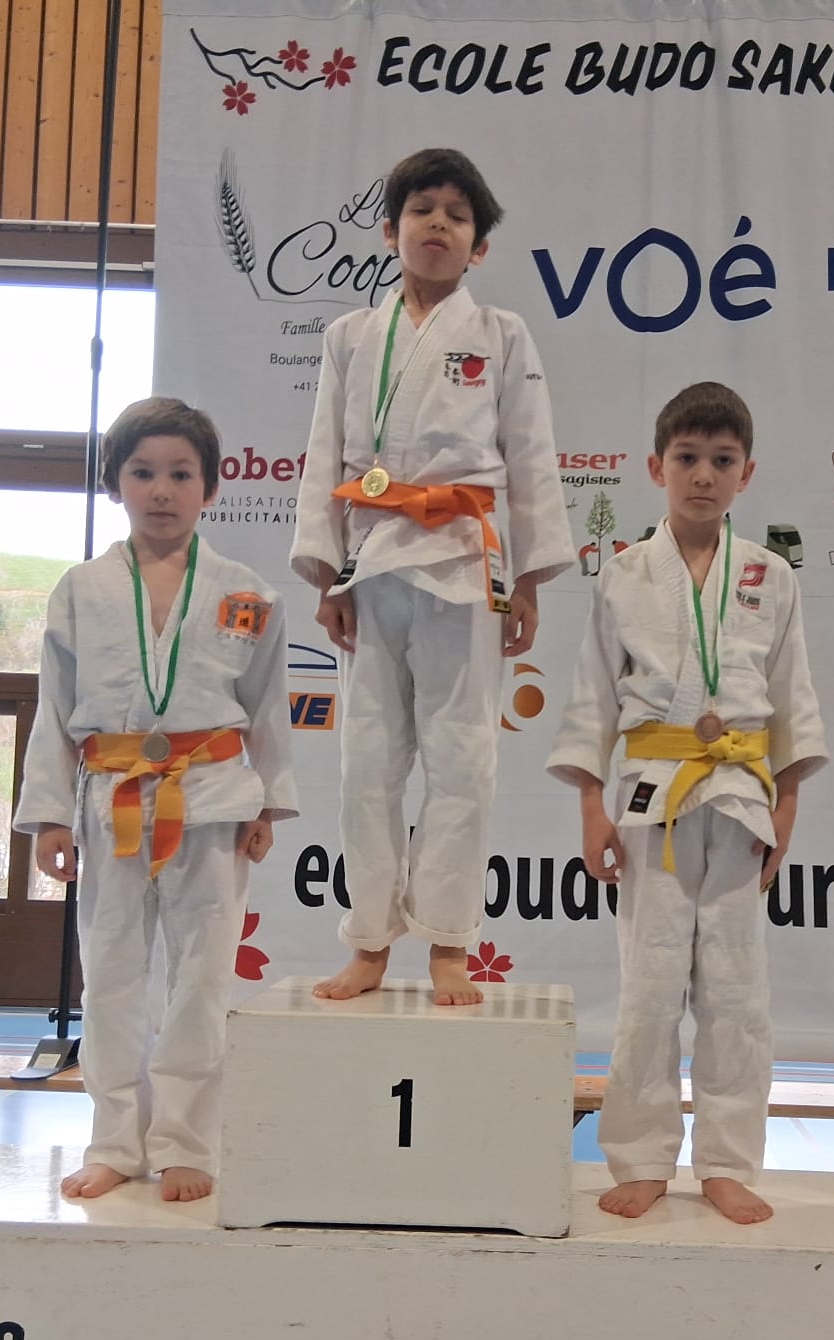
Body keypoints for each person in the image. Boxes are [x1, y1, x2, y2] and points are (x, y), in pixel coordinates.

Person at [290, 147, 569, 1006]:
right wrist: (326, 578)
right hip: (373, 562)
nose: (438, 224)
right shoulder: (349, 338)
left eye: (457, 214)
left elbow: (531, 459)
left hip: (463, 561)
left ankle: (449, 939)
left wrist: (527, 583)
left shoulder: (502, 335)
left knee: (464, 760)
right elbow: (324, 457)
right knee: (366, 763)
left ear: (478, 245)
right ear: (390, 231)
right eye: (422, 210)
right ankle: (370, 940)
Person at [547, 383, 826, 1224]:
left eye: (722, 460)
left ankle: (728, 1161)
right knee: (649, 986)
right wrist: (591, 805)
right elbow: (592, 697)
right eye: (687, 458)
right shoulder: (625, 574)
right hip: (648, 798)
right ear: (655, 467)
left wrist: (787, 804)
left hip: (740, 796)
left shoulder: (771, 575)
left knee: (738, 992)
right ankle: (639, 1156)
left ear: (747, 473)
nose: (704, 475)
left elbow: (791, 696)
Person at [16, 397, 297, 1203]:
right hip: (111, 796)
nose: (162, 491)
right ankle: (115, 1140)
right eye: (143, 473)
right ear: (116, 484)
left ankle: (186, 1142)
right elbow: (54, 705)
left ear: (211, 487)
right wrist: (49, 816)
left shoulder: (247, 593)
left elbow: (267, 707)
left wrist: (268, 805)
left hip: (213, 799)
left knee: (203, 977)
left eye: (181, 474)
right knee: (110, 974)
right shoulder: (81, 589)